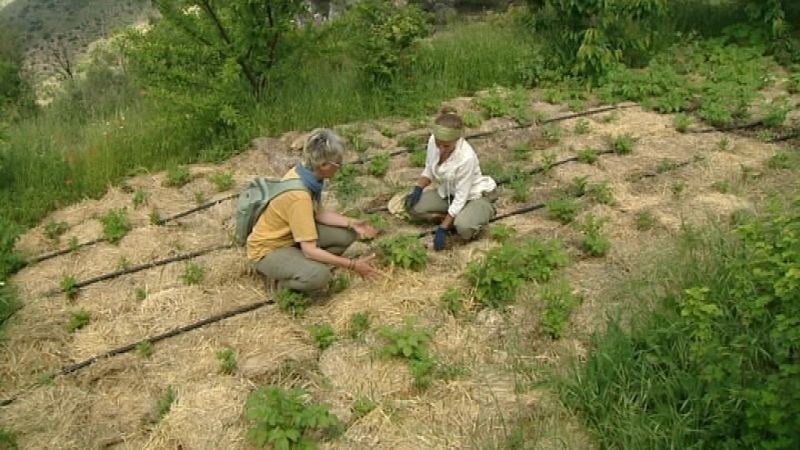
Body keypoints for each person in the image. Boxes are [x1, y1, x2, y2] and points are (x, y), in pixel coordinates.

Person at [247, 128, 379, 293]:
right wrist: (353, 265)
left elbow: (320, 213)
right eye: (338, 163)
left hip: (291, 237)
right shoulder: (299, 196)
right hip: (270, 249)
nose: (339, 167)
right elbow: (309, 250)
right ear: (323, 165)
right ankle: (282, 286)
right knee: (320, 276)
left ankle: (300, 265)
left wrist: (352, 223)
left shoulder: (306, 173)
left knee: (348, 233)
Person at [404, 107, 497, 251]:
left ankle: (484, 210)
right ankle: (454, 217)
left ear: (456, 140)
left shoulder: (466, 158)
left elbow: (462, 197)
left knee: (464, 228)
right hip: (449, 193)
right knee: (413, 207)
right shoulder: (433, 141)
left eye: (446, 146)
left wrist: (442, 228)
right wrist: (418, 189)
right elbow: (430, 168)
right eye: (438, 144)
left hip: (473, 196)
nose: (441, 149)